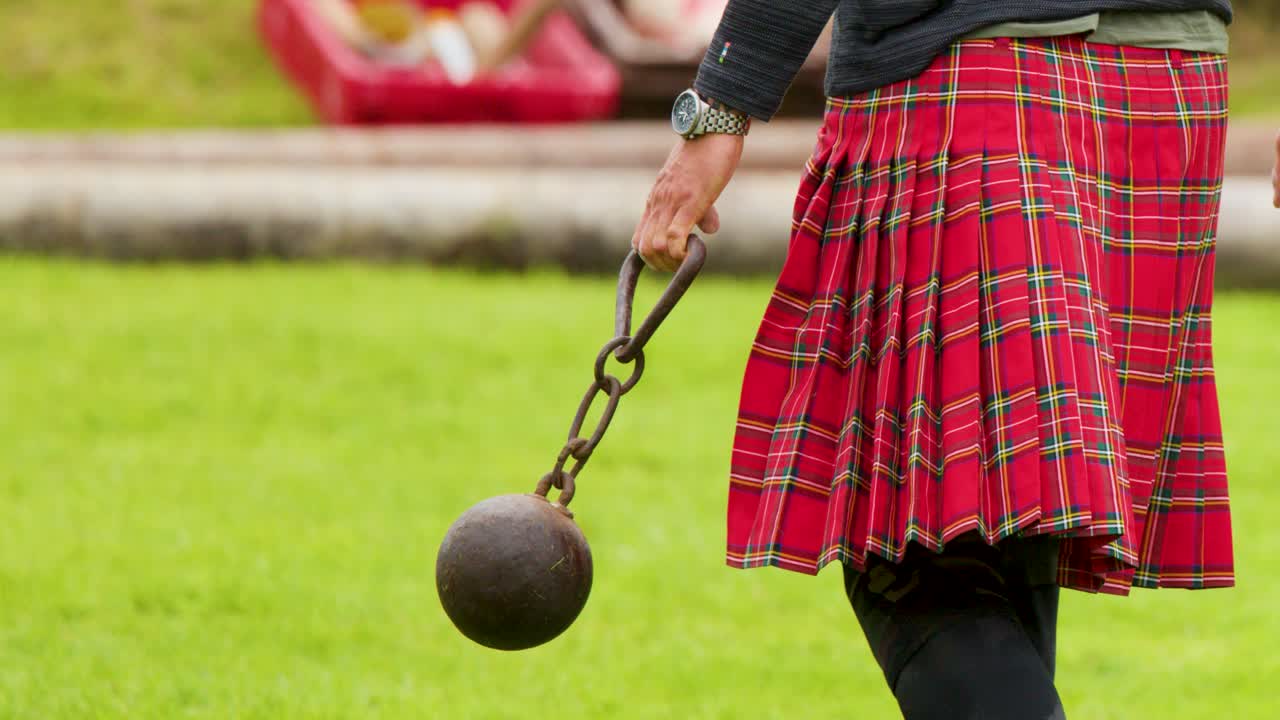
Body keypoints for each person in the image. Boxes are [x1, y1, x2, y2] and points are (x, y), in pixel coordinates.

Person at [631, 3, 1242, 719]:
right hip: (1165, 93)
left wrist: (719, 109)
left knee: (909, 550)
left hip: (973, 70)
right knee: (1007, 516)